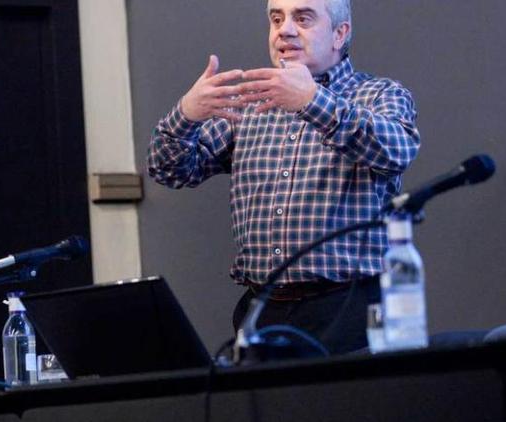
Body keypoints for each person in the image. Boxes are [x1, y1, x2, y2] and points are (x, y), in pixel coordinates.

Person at [147, 0, 421, 354]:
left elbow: (396, 150)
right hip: (263, 309)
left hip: (348, 306)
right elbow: (168, 169)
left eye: (303, 18)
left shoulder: (380, 95)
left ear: (340, 33)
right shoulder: (251, 106)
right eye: (276, 19)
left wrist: (311, 101)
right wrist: (186, 115)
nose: (285, 30)